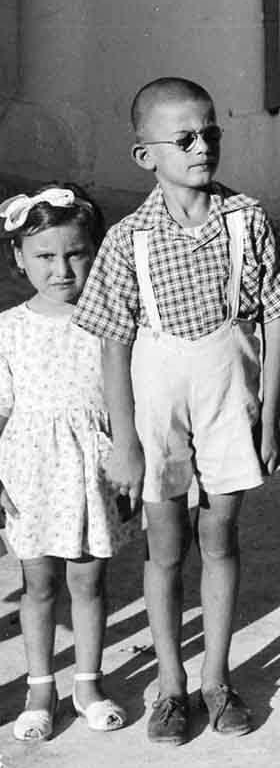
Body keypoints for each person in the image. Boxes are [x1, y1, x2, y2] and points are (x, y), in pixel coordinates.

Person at [72, 76, 280, 745]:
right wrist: (124, 441)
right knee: (164, 549)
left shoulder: (249, 218)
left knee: (221, 539)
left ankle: (216, 679)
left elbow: (277, 319)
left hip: (228, 400)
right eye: (183, 138)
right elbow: (113, 347)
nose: (201, 146)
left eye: (210, 132)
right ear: (145, 155)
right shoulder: (129, 239)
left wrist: (268, 418)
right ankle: (171, 687)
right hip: (156, 413)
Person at [0, 183, 133, 742]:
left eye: (75, 253)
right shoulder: (7, 329)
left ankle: (87, 681)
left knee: (89, 581)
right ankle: (38, 685)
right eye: (45, 256)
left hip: (93, 473)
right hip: (30, 475)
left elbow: (131, 400)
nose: (61, 269)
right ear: (18, 259)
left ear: (95, 251)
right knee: (38, 585)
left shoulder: (113, 323)